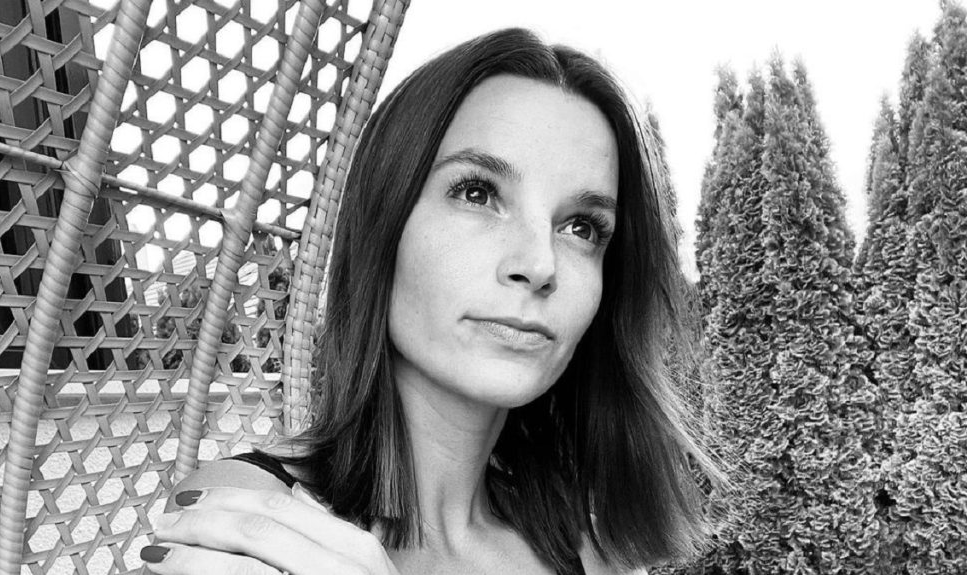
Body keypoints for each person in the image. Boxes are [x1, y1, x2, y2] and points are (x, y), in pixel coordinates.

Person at [139, 28, 721, 575]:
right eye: (478, 193)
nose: (541, 264)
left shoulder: (589, 548)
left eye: (582, 227)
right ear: (383, 225)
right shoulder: (254, 520)